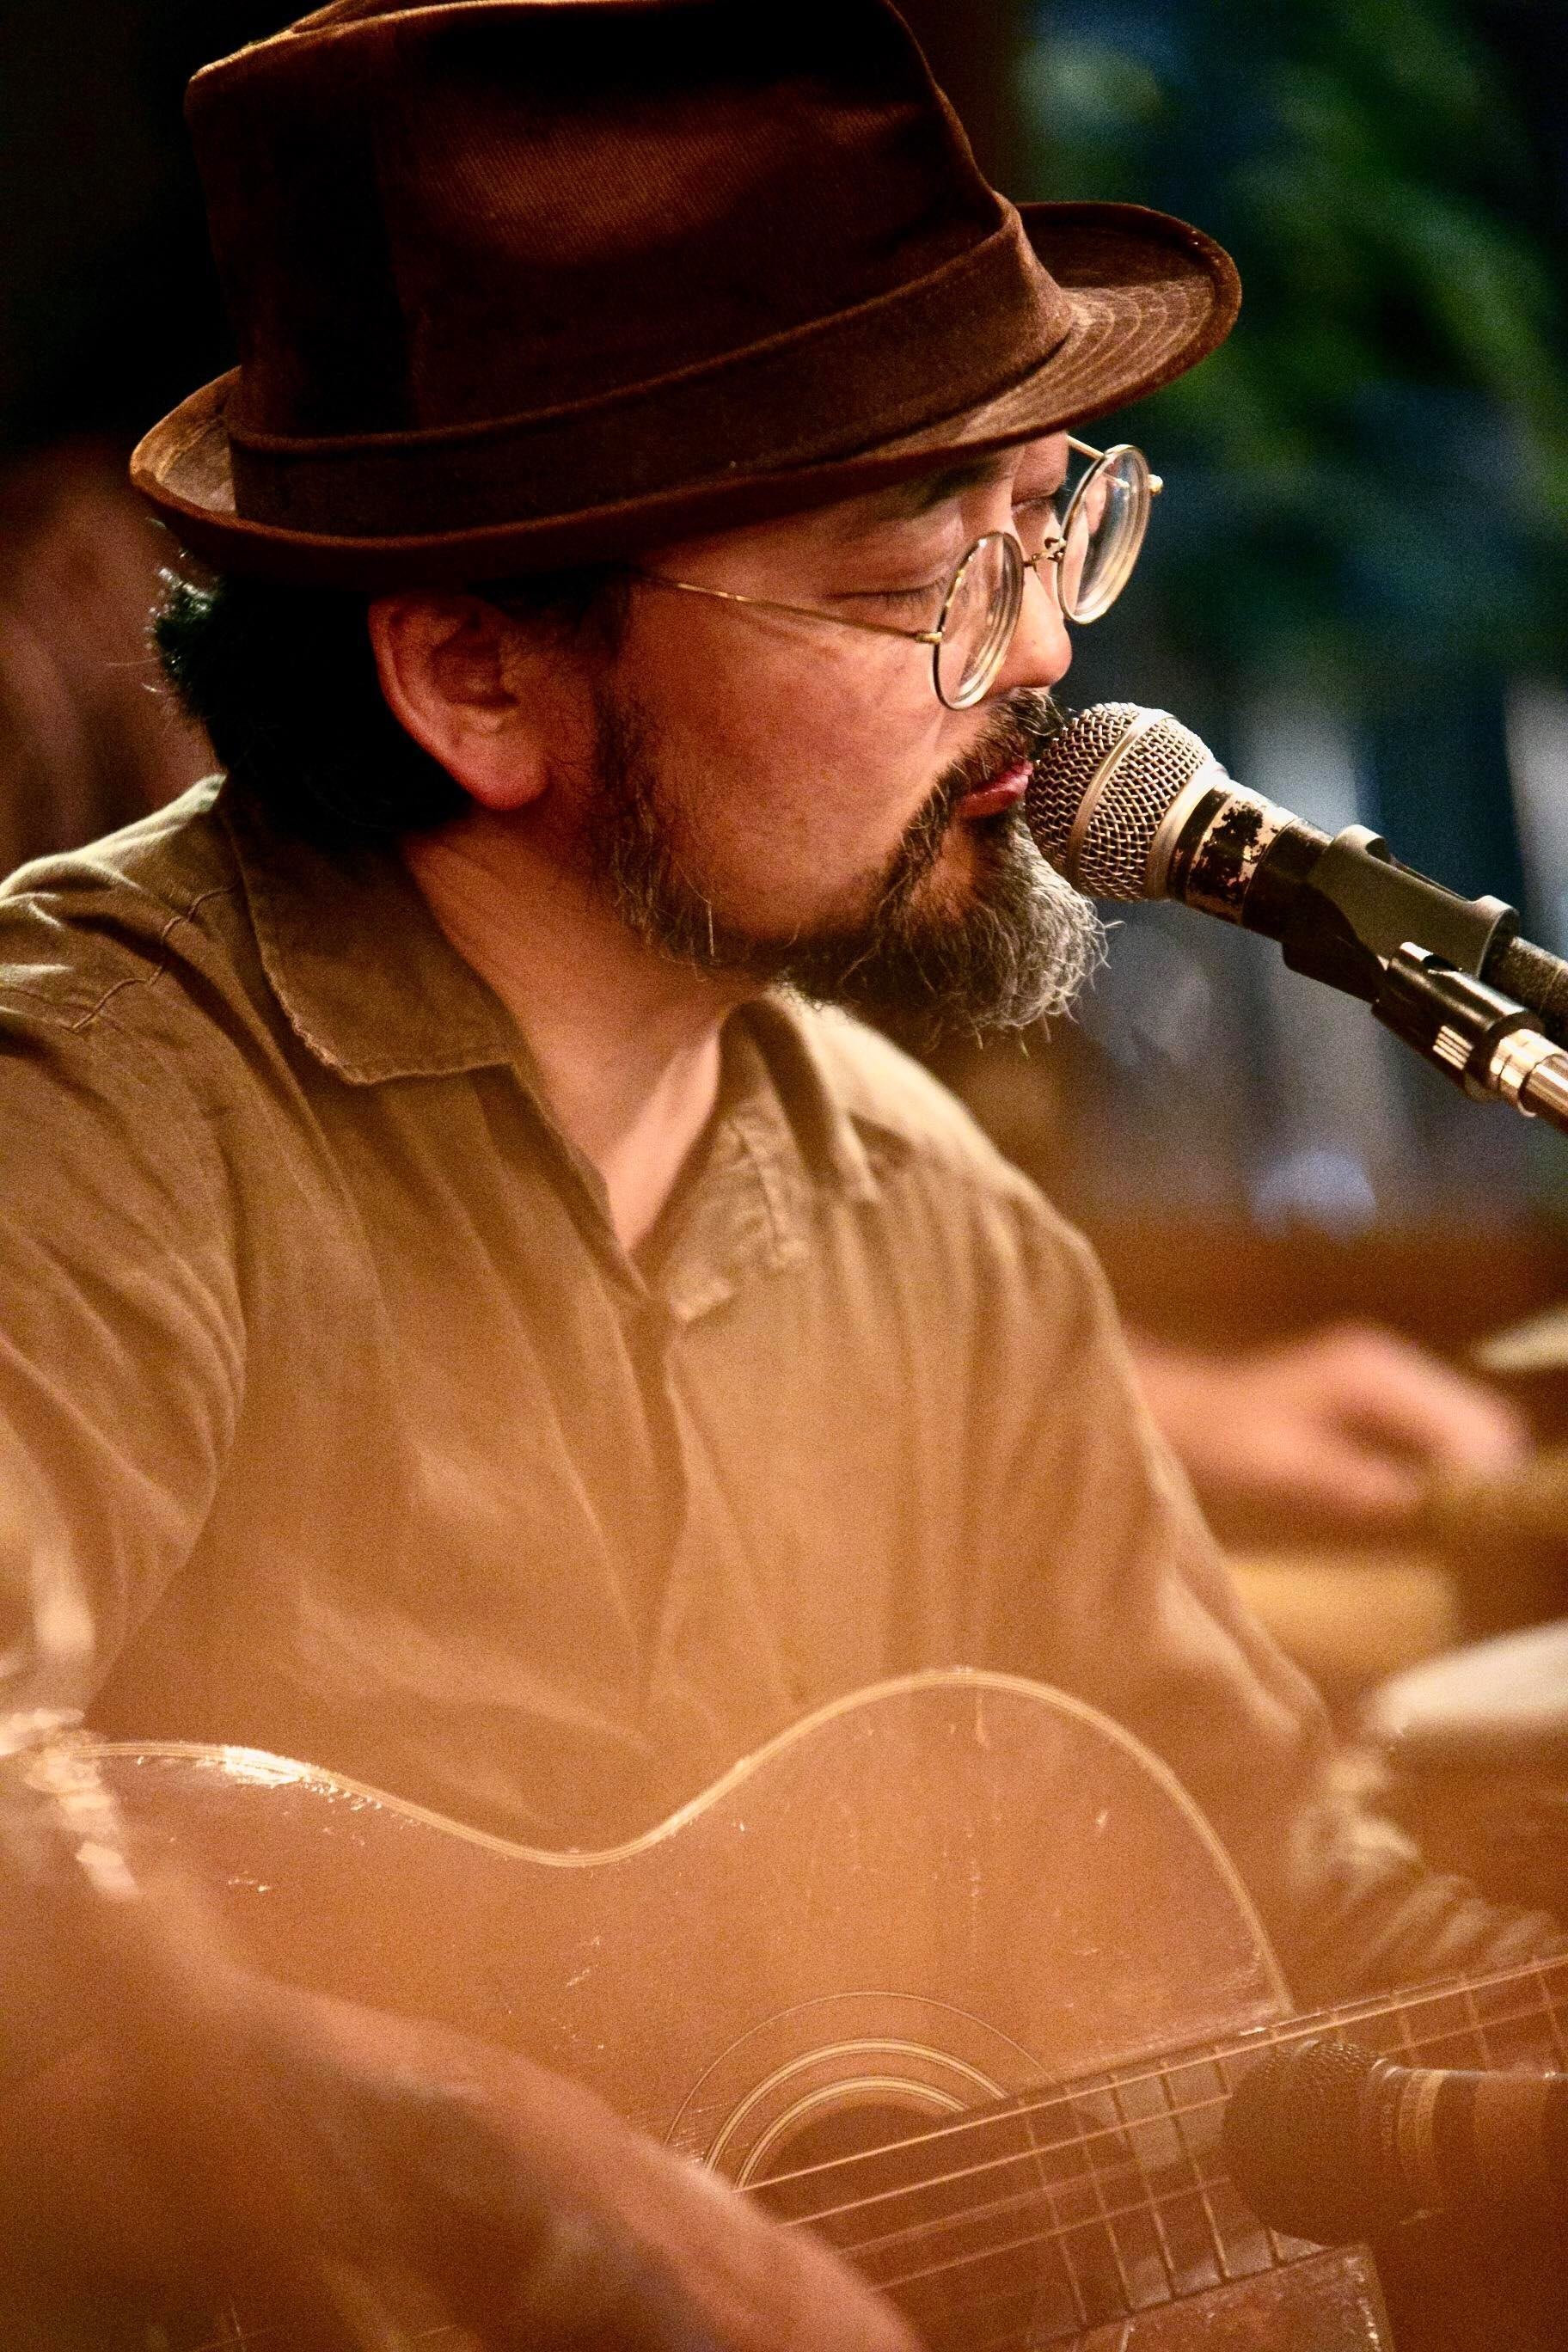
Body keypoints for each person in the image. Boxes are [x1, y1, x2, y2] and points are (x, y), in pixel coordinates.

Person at [0, 3, 1557, 2343]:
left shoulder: (925, 1219)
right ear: (474, 677)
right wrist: (492, 2186)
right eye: (907, 582)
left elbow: (1293, 1909)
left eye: (1052, 525)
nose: (1044, 655)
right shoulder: (98, 1108)